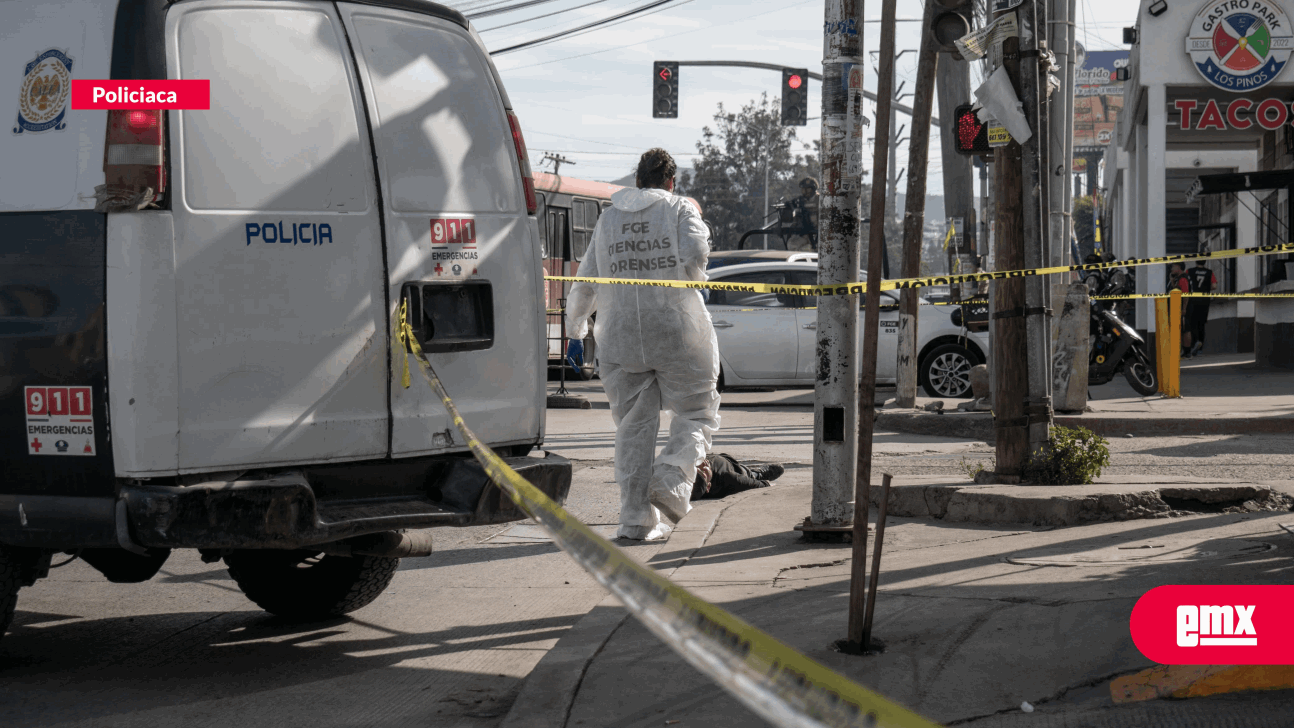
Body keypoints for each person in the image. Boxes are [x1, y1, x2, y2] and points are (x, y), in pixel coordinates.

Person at [565, 148, 720, 541]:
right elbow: (697, 253)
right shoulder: (680, 209)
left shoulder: (609, 219)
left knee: (633, 427)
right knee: (696, 412)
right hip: (677, 331)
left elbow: (587, 280)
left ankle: (635, 520)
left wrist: (575, 329)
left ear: (637, 180)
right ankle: (670, 478)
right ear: (671, 181)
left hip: (620, 340)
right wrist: (691, 276)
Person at [691, 454, 785, 500]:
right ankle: (757, 474)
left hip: (723, 459)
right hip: (736, 470)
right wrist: (766, 484)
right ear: (708, 486)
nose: (702, 466)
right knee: (747, 474)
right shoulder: (728, 477)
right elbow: (760, 485)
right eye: (703, 471)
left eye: (697, 469)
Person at [1185, 260, 1218, 357]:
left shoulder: (1189, 271)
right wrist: (1205, 288)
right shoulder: (1209, 272)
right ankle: (1200, 345)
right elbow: (1214, 286)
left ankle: (1193, 344)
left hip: (1192, 300)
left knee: (1192, 323)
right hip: (1204, 301)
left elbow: (1186, 283)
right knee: (1202, 324)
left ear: (1195, 261)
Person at [1167, 262, 1193, 355]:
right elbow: (1176, 291)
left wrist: (1184, 308)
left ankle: (1187, 352)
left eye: (1173, 267)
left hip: (1184, 307)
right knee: (1182, 329)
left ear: (1179, 267)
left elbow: (1185, 294)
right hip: (1179, 307)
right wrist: (1173, 281)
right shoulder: (1179, 279)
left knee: (1186, 329)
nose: (1171, 269)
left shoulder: (1183, 279)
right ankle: (1183, 350)